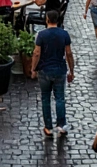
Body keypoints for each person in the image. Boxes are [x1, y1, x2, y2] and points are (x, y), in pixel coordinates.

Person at [32, 10, 74, 138]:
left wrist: (33, 69)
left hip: (44, 70)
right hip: (60, 70)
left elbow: (37, 53)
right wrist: (71, 70)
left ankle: (48, 127)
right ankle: (61, 125)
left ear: (47, 20)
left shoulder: (41, 35)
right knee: (60, 98)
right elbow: (69, 53)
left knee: (45, 98)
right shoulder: (64, 34)